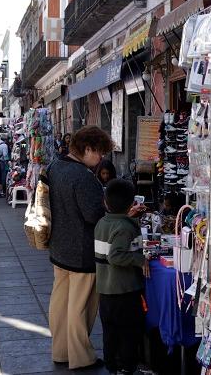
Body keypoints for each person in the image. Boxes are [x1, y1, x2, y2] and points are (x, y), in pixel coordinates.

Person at [46, 126, 113, 370]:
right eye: (99, 153)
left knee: (60, 302)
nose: (101, 159)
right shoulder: (83, 177)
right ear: (87, 149)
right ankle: (81, 357)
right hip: (83, 249)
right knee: (80, 306)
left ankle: (61, 351)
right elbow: (93, 214)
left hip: (59, 246)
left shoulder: (55, 166)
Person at [94, 179, 149, 374]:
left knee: (110, 333)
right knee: (128, 333)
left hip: (105, 292)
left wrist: (130, 219)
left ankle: (112, 366)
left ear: (106, 203)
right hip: (124, 291)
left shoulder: (103, 222)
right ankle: (127, 367)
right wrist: (140, 260)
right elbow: (116, 255)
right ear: (131, 203)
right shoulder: (124, 227)